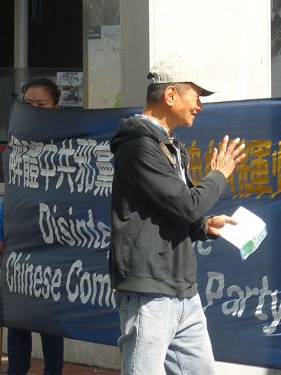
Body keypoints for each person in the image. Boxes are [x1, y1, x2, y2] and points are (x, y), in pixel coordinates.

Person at [109, 54, 246, 375]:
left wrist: (204, 226)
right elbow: (187, 204)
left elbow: (178, 209)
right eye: (196, 96)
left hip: (183, 289)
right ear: (170, 96)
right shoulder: (139, 146)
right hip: (150, 291)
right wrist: (220, 173)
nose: (200, 106)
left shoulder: (168, 146)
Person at [0, 77, 64, 375]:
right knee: (18, 316)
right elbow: (11, 193)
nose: (34, 109)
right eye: (29, 104)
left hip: (53, 242)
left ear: (56, 106)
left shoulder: (68, 142)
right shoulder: (16, 142)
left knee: (50, 319)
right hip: (18, 241)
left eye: (41, 104)